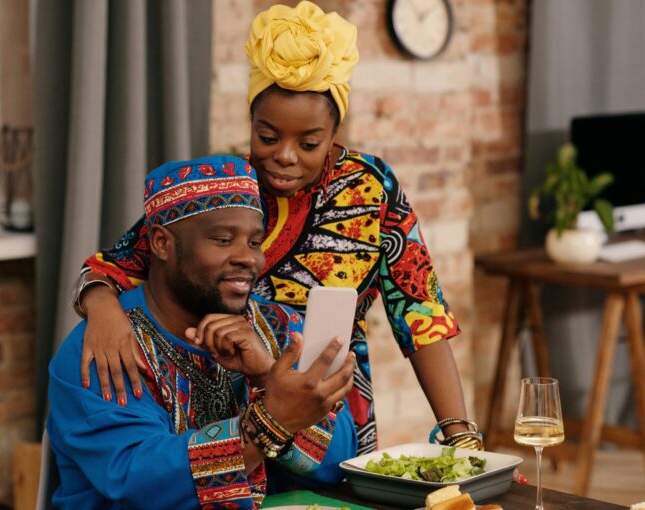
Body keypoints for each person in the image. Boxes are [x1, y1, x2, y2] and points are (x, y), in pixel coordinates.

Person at [72, 1, 481, 455]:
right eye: (268, 137)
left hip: (329, 416)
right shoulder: (228, 190)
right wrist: (102, 309)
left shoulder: (371, 190)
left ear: (333, 133)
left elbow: (422, 314)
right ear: (251, 123)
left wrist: (460, 434)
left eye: (308, 143)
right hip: (225, 409)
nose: (285, 156)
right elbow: (121, 262)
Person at [48, 155, 357, 509]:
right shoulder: (104, 347)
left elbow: (339, 465)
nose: (248, 258)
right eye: (224, 240)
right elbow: (137, 480)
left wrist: (267, 376)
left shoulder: (281, 328)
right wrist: (271, 422)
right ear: (162, 243)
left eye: (254, 242)